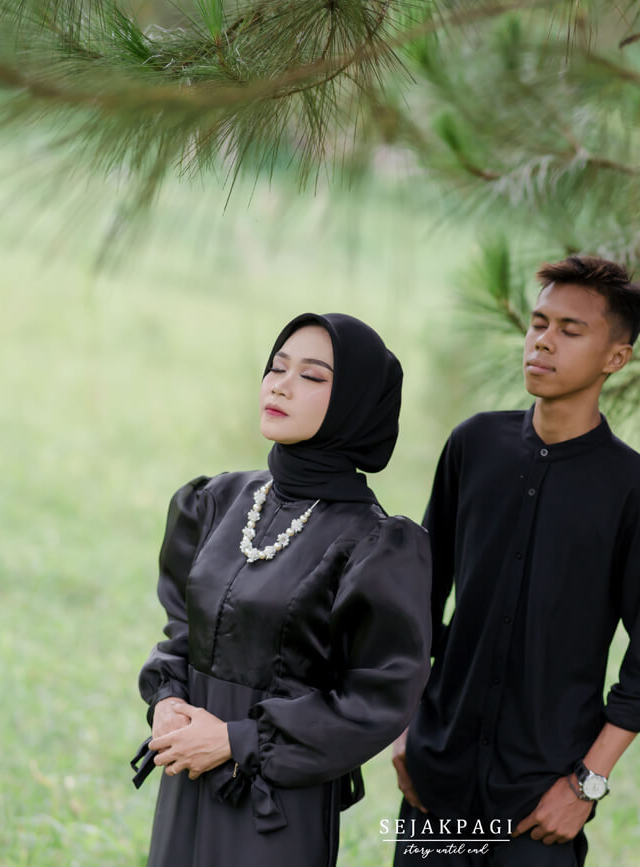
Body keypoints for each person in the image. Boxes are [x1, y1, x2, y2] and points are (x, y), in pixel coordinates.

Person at [390, 256, 640, 866]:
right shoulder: (473, 445)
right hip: (436, 783)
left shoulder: (633, 489)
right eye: (538, 323)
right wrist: (403, 733)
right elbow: (415, 600)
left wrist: (585, 786)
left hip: (540, 804)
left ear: (616, 357)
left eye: (570, 330)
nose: (543, 341)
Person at [134, 312, 433, 867]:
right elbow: (182, 631)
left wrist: (237, 741)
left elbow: (379, 697)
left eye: (312, 376)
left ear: (355, 404)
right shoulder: (218, 501)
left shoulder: (377, 545)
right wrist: (168, 699)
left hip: (275, 798)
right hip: (186, 773)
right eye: (277, 367)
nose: (281, 385)